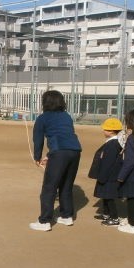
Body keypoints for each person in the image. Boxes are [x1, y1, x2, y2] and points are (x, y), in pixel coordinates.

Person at [29, 90, 82, 232]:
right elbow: (65, 135)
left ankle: (44, 221)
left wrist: (37, 157)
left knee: (49, 187)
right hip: (75, 151)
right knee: (66, 185)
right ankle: (67, 216)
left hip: (59, 152)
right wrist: (50, 155)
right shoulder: (66, 116)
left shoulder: (43, 118)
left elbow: (38, 139)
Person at [88, 118, 123, 226]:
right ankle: (106, 214)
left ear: (111, 131)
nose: (103, 131)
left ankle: (114, 218)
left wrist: (102, 176)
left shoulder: (112, 144)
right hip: (108, 175)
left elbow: (108, 162)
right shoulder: (112, 143)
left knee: (109, 197)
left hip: (109, 176)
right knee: (105, 196)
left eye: (105, 129)